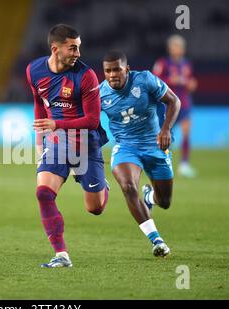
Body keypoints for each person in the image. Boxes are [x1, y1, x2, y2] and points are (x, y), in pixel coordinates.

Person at [26, 24, 109, 268]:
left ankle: (102, 187)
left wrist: (56, 124)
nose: (78, 53)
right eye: (73, 48)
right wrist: (40, 137)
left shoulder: (86, 76)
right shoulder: (34, 70)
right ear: (56, 49)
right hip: (57, 141)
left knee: (94, 209)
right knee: (43, 193)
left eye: (79, 47)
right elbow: (39, 103)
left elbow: (93, 121)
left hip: (86, 143)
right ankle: (61, 255)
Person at [100, 50, 181, 257]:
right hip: (126, 147)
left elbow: (174, 101)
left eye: (116, 69)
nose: (112, 75)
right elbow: (90, 123)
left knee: (164, 202)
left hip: (155, 145)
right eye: (107, 71)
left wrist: (166, 129)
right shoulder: (99, 94)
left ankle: (149, 196)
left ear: (126, 69)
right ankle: (156, 240)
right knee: (128, 186)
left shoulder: (144, 80)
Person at [153, 34, 198, 178]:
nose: (177, 49)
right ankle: (164, 161)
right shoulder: (163, 63)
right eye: (174, 46)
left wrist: (191, 84)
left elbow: (190, 81)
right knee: (167, 135)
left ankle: (184, 164)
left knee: (186, 132)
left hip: (184, 103)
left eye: (179, 46)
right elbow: (154, 80)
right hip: (167, 105)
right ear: (170, 48)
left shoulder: (187, 64)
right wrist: (172, 79)